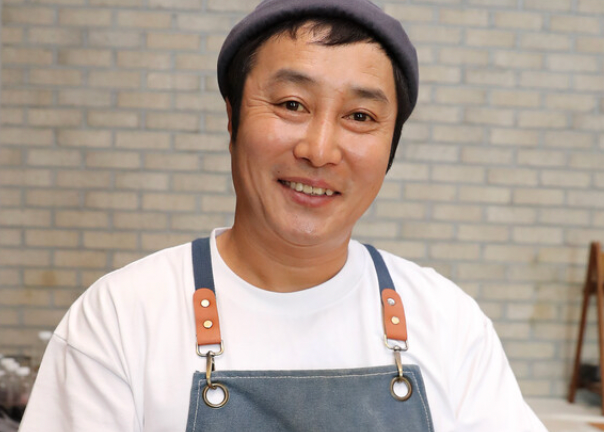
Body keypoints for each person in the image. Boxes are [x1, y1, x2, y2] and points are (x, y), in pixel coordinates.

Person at [20, 0, 548, 431]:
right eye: (292, 104)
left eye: (360, 116)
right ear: (232, 118)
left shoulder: (449, 323)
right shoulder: (120, 318)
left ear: (391, 147)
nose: (319, 150)